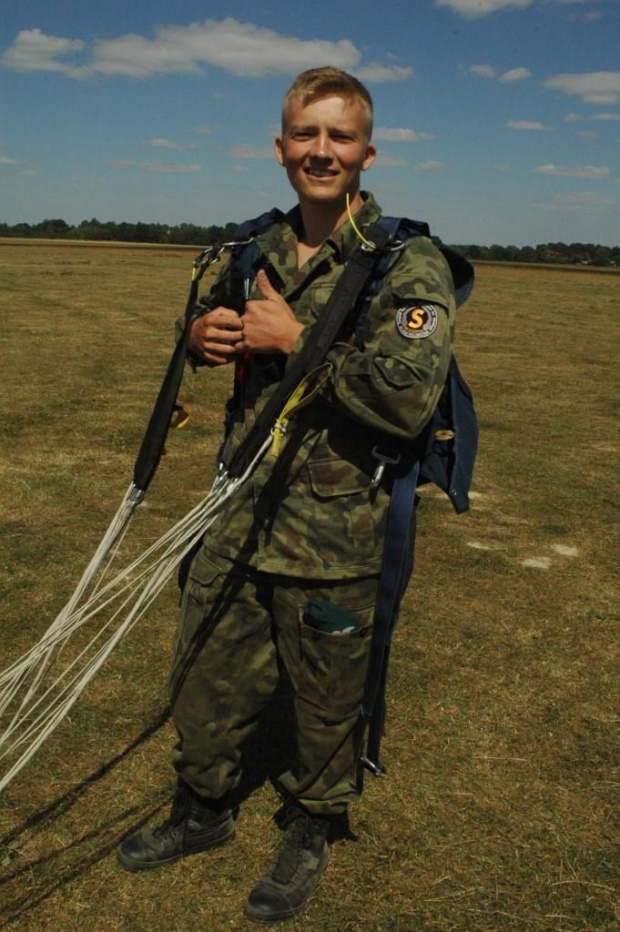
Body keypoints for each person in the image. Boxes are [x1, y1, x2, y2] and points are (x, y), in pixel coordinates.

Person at [117, 66, 457, 923]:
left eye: (339, 137)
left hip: (333, 524)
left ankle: (311, 824)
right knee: (205, 664)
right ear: (280, 147)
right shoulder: (249, 249)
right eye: (306, 134)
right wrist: (202, 336)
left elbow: (409, 397)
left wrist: (298, 336)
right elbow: (205, 332)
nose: (321, 151)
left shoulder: (403, 262)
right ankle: (202, 807)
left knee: (326, 690)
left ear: (367, 153)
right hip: (236, 507)